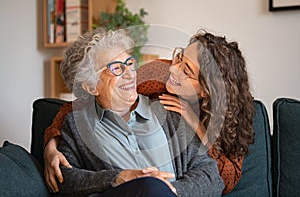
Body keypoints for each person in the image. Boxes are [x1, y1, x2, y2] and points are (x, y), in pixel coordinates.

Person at [43, 27, 224, 197]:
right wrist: (118, 178)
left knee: (152, 187)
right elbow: (65, 180)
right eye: (116, 68)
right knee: (148, 186)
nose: (130, 74)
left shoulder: (169, 112)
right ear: (91, 86)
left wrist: (169, 191)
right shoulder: (78, 125)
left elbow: (212, 177)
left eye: (129, 63)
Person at [159, 30, 255, 193]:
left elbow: (227, 180)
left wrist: (198, 128)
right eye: (179, 57)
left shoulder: (229, 116)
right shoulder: (159, 73)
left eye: (186, 71)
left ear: (207, 90)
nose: (173, 69)